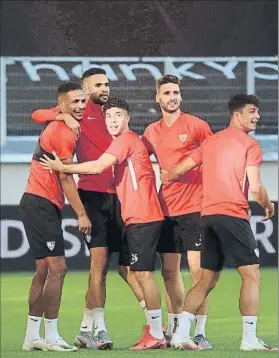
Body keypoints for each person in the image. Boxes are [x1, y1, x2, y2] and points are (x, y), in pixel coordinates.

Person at [40, 97, 167, 350]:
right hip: (137, 216)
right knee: (134, 272)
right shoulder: (128, 141)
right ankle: (153, 331)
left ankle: (155, 333)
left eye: (118, 115)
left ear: (128, 118)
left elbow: (98, 167)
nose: (112, 120)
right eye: (109, 116)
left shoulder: (126, 139)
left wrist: (61, 166)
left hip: (143, 216)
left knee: (142, 274)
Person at [161, 94, 277, 351]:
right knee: (251, 274)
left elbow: (178, 171)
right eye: (252, 111)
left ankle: (180, 335)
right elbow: (256, 188)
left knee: (205, 280)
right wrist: (268, 206)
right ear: (237, 115)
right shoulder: (250, 145)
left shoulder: (210, 142)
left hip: (207, 216)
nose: (257, 116)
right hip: (232, 213)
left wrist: (166, 175)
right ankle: (249, 340)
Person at [19, 81, 91, 352]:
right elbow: (65, 176)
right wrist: (81, 214)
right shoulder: (64, 132)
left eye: (83, 101)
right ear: (62, 104)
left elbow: (38, 114)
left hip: (36, 203)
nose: (81, 106)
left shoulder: (61, 120)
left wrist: (61, 114)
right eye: (75, 102)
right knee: (58, 269)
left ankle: (31, 337)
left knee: (42, 271)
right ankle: (51, 337)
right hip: (41, 205)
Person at [142, 75, 213, 348]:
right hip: (165, 210)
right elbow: (137, 158)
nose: (173, 96)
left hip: (196, 207)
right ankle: (173, 329)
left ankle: (199, 331)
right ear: (157, 98)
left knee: (198, 272)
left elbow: (215, 155)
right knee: (169, 272)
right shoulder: (151, 132)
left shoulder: (196, 125)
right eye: (167, 92)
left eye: (176, 92)